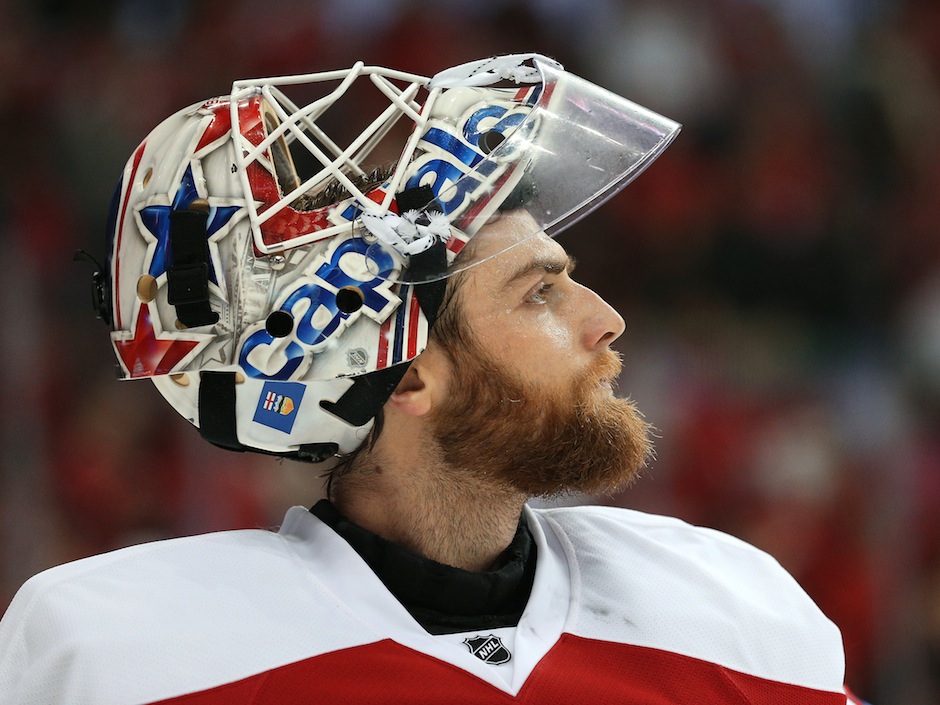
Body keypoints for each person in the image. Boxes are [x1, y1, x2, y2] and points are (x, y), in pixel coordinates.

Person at [0, 54, 864, 704]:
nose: (605, 319)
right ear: (406, 376)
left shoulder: (736, 611)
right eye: (539, 294)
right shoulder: (119, 659)